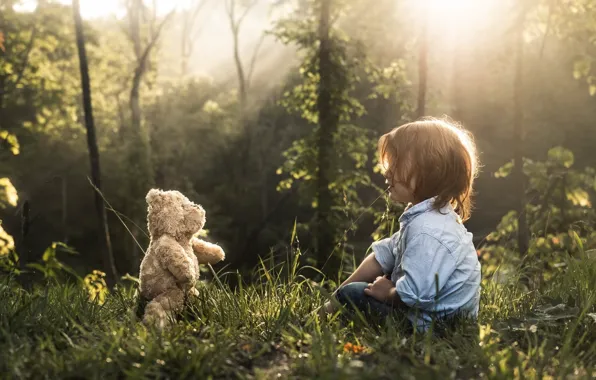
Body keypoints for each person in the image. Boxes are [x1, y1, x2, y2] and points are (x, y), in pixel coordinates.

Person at [325, 118, 481, 332]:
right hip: (427, 319)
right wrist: (335, 295)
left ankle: (320, 322)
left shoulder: (428, 230)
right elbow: (382, 256)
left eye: (396, 163)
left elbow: (416, 294)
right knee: (348, 292)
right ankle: (327, 311)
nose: (387, 172)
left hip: (431, 329)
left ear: (430, 169)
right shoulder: (426, 218)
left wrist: (388, 293)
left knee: (353, 295)